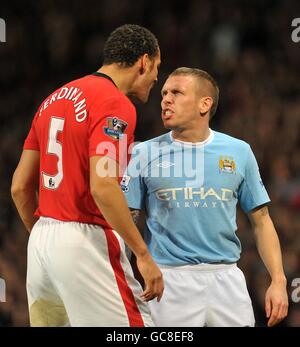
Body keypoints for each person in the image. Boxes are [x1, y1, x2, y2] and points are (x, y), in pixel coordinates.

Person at [11, 24, 163, 327]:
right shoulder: (115, 104)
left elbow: (19, 187)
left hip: (41, 241)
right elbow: (103, 187)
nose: (158, 77)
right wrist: (143, 254)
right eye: (158, 67)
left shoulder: (53, 99)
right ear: (143, 62)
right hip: (85, 241)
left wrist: (46, 239)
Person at [123, 67, 289, 327]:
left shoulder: (239, 152)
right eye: (164, 93)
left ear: (205, 103)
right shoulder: (143, 153)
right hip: (168, 282)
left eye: (177, 92)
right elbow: (126, 221)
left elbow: (262, 221)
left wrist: (278, 281)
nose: (166, 99)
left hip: (227, 281)